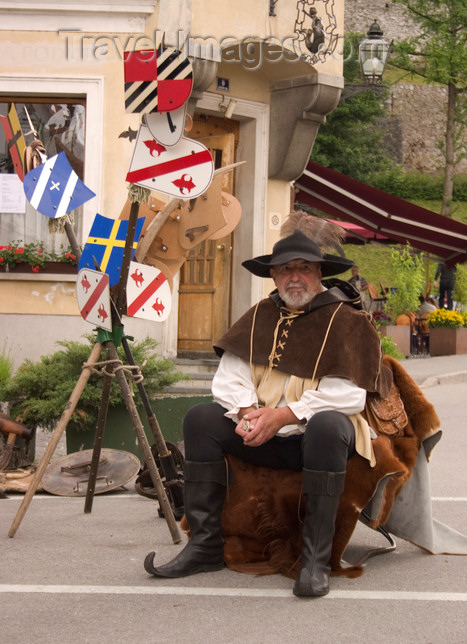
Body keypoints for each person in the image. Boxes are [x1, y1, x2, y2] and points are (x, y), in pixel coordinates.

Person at [144, 224, 392, 598]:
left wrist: (284, 416)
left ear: (319, 272)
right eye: (286, 269)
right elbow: (229, 379)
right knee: (201, 419)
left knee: (328, 424)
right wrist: (249, 414)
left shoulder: (347, 321)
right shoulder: (259, 316)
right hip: (261, 433)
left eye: (304, 268)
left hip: (316, 440)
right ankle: (205, 546)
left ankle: (315, 559)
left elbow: (348, 396)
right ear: (273, 275)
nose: (295, 277)